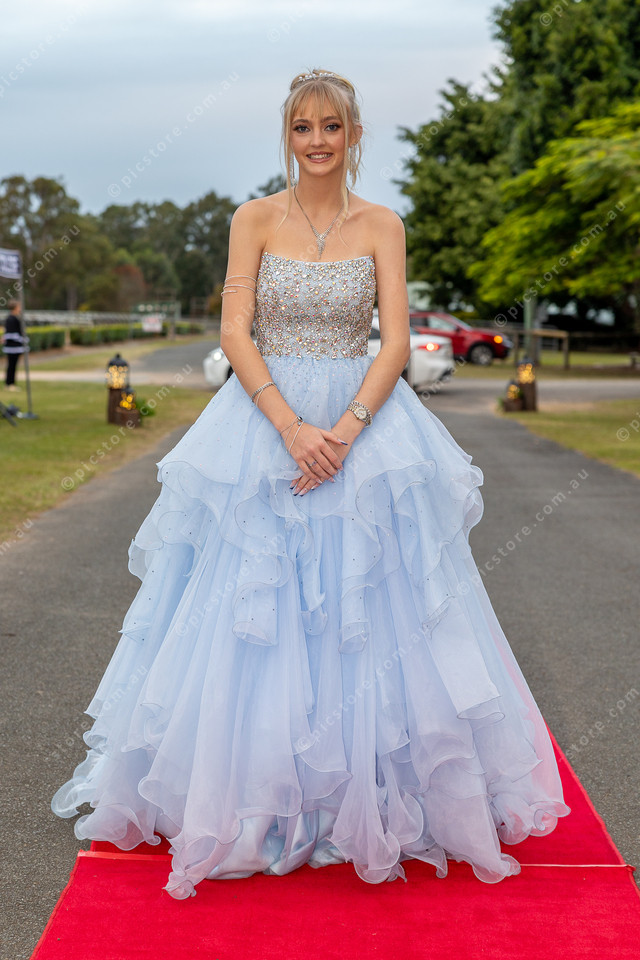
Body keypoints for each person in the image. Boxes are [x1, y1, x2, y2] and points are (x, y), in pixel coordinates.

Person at [51, 68, 570, 899]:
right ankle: (255, 796)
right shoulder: (253, 218)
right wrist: (291, 427)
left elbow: (394, 342)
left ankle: (369, 794)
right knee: (253, 603)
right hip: (264, 420)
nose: (318, 140)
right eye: (303, 127)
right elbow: (235, 330)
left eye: (332, 126)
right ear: (288, 136)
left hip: (366, 423)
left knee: (374, 602)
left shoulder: (383, 224)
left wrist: (347, 431)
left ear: (354, 134)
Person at [2, 299, 27, 390]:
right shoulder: (11, 319)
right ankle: (9, 383)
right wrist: (22, 339)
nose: (20, 309)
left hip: (15, 346)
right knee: (11, 365)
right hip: (12, 347)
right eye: (18, 307)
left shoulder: (15, 318)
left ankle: (11, 383)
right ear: (15, 308)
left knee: (13, 365)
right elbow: (11, 333)